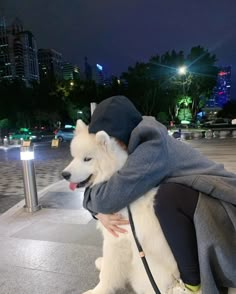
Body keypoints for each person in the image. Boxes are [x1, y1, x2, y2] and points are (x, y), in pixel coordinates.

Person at [83, 95, 236, 294]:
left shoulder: (151, 147)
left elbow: (109, 197)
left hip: (225, 211)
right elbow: (103, 191)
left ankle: (191, 285)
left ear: (124, 133)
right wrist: (96, 210)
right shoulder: (135, 140)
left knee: (167, 197)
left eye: (111, 141)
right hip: (203, 205)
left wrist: (97, 207)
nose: (106, 148)